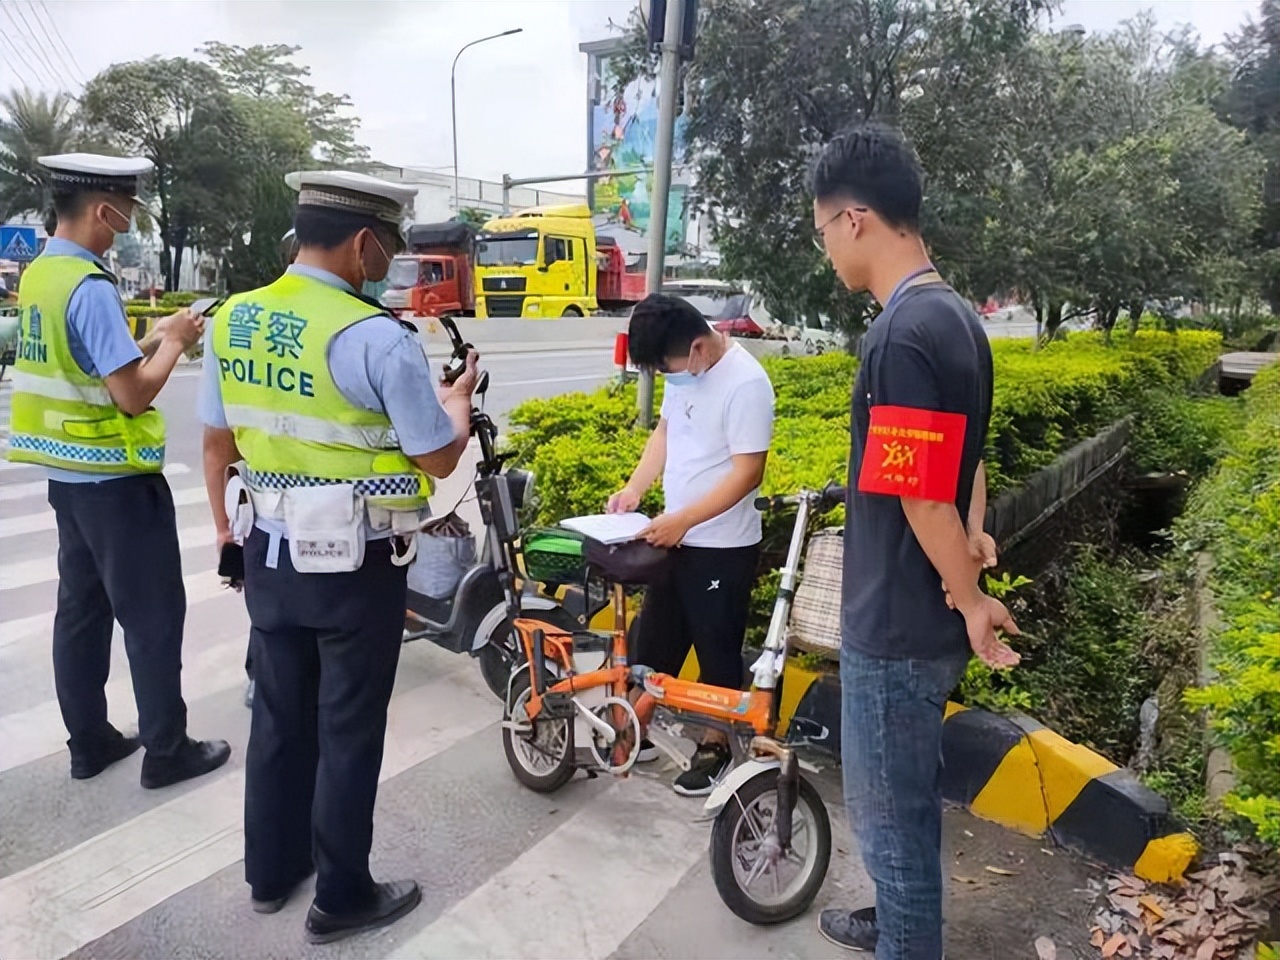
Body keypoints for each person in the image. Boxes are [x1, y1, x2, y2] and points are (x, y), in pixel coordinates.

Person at [200, 169, 479, 943]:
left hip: (271, 555)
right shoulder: (375, 336)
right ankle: (342, 895)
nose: (387, 260)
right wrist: (457, 401)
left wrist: (225, 529)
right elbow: (436, 459)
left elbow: (218, 439)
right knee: (349, 729)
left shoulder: (235, 319)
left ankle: (271, 872)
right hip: (355, 568)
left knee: (281, 721)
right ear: (363, 243)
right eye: (388, 245)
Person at [809, 124, 1018, 958]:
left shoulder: (898, 334)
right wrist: (971, 543)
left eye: (823, 231)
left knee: (891, 832)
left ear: (855, 219)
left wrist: (968, 598)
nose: (826, 250)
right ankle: (895, 920)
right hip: (919, 613)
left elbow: (920, 489)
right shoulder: (958, 318)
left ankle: (903, 933)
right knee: (908, 806)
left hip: (895, 626)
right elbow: (964, 465)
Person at [5, 153, 231, 788]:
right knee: (153, 617)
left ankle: (90, 741)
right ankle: (167, 750)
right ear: (104, 209)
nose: (129, 220)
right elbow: (131, 394)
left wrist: (153, 335)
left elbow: (87, 364)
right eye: (127, 209)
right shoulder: (92, 286)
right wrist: (178, 343)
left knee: (79, 613)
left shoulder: (43, 274)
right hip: (117, 481)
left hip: (67, 481)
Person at [607, 293, 775, 796]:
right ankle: (634, 727)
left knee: (716, 649)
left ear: (699, 347)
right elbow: (665, 431)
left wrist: (684, 521)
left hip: (722, 545)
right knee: (655, 640)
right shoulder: (688, 375)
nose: (667, 377)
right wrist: (636, 487)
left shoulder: (746, 385)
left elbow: (749, 473)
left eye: (668, 367)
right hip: (675, 535)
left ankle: (716, 744)